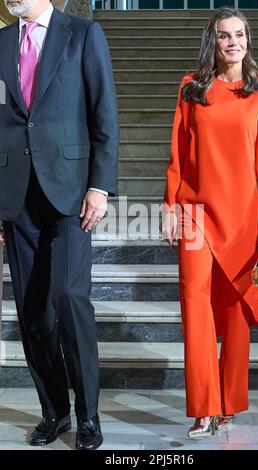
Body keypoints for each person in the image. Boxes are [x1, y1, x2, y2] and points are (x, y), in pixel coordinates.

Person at [162, 7, 258, 438]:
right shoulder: (190, 89)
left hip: (240, 215)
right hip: (195, 213)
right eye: (223, 36)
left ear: (248, 40)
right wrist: (169, 206)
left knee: (234, 310)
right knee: (194, 306)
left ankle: (229, 401)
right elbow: (178, 155)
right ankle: (204, 407)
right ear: (211, 42)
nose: (232, 42)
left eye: (238, 35)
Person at [0, 0, 118, 449]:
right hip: (16, 195)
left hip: (71, 192)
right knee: (33, 314)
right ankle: (55, 412)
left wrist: (100, 187)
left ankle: (89, 416)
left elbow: (103, 111)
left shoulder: (84, 35)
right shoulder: (3, 42)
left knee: (69, 297)